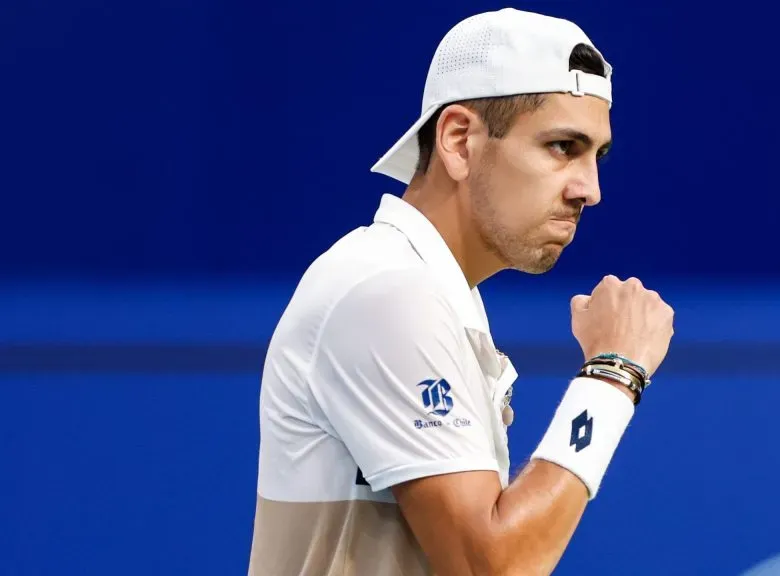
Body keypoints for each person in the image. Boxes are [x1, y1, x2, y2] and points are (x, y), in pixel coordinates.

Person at [248, 7, 674, 576]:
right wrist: (614, 373)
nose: (589, 189)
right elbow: (493, 567)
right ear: (458, 140)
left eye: (597, 154)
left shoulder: (430, 289)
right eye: (561, 147)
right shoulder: (390, 293)